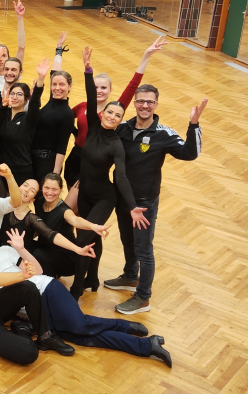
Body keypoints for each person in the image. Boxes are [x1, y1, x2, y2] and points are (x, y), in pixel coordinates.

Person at [0, 230, 172, 367]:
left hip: (47, 290)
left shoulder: (5, 252)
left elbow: (40, 270)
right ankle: (146, 345)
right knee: (84, 337)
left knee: (80, 325)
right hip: (36, 317)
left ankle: (129, 329)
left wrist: (21, 248)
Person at [106, 85, 206, 315]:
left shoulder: (164, 134)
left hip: (144, 202)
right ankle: (130, 276)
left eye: (150, 102)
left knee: (143, 249)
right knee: (127, 241)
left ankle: (143, 297)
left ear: (156, 104)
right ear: (135, 103)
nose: (144, 106)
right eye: (141, 101)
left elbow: (190, 153)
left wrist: (194, 125)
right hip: (123, 199)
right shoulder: (122, 128)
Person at [69, 46, 148, 300]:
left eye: (118, 115)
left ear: (121, 119)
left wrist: (133, 205)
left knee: (83, 239)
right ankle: (92, 277)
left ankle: (77, 287)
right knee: (93, 236)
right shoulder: (92, 124)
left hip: (104, 197)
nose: (112, 116)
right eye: (110, 112)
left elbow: (121, 177)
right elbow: (92, 98)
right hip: (85, 192)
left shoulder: (116, 145)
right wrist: (87, 69)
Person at [59, 36, 165, 210]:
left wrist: (146, 56)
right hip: (75, 160)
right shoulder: (81, 107)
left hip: (93, 164)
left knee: (71, 209)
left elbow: (133, 85)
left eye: (103, 87)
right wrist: (75, 134)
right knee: (76, 212)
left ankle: (84, 235)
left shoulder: (114, 110)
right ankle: (76, 236)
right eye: (96, 87)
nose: (99, 91)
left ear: (110, 90)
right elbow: (64, 119)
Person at [0, 58, 51, 183]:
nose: (15, 97)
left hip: (21, 171)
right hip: (1, 170)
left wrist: (41, 78)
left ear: (26, 99)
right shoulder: (3, 115)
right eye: (12, 94)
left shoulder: (29, 118)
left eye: (20, 94)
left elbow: (34, 104)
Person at [31, 32, 76, 179]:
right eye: (54, 84)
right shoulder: (52, 101)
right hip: (34, 157)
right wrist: (58, 49)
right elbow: (55, 72)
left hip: (48, 163)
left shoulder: (67, 114)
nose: (57, 88)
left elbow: (62, 147)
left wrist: (55, 174)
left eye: (62, 84)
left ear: (69, 87)